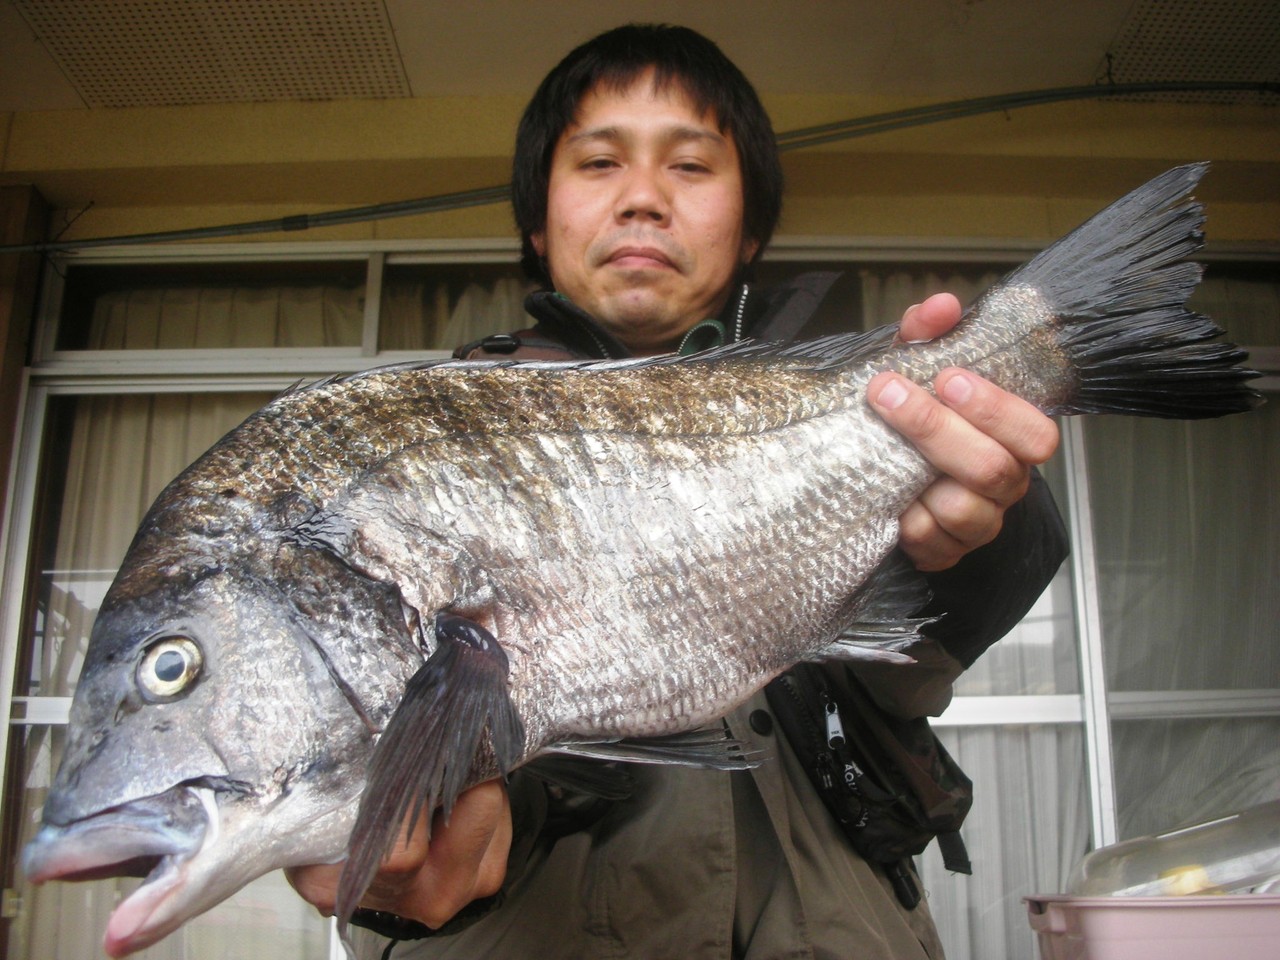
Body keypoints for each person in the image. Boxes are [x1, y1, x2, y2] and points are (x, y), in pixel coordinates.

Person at [288, 24, 1067, 959]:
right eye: (600, 161)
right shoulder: (426, 448)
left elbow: (909, 663)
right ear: (539, 221)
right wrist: (415, 848)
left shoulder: (862, 415)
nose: (644, 198)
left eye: (691, 167)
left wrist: (988, 516)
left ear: (750, 230)